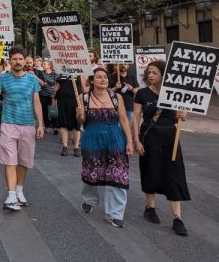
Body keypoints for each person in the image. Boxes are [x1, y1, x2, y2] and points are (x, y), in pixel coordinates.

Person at [133, 60, 190, 236]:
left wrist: (182, 115)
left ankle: (178, 218)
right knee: (151, 171)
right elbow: (135, 119)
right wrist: (136, 140)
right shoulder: (142, 94)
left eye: (155, 72)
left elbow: (179, 118)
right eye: (148, 72)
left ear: (164, 74)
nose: (150, 75)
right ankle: (150, 208)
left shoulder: (174, 94)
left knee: (174, 174)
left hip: (171, 139)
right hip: (149, 138)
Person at [0, 45, 44, 212]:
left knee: (24, 161)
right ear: (10, 61)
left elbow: (37, 103)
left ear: (24, 60)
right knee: (9, 160)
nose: (18, 62)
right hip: (8, 124)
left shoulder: (32, 80)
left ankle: (19, 190)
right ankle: (11, 194)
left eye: (20, 59)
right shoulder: (3, 78)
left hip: (28, 125)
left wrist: (40, 124)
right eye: (14, 59)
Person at [77, 67, 134, 228]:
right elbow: (81, 121)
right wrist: (80, 114)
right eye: (99, 77)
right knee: (91, 174)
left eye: (105, 77)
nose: (103, 79)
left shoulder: (117, 97)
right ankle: (89, 200)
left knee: (117, 174)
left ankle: (114, 213)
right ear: (92, 80)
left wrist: (129, 141)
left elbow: (123, 120)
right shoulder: (83, 98)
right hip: (92, 138)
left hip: (115, 139)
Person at [55, 73, 82, 156]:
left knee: (76, 124)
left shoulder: (79, 73)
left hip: (75, 101)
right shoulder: (60, 73)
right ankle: (65, 147)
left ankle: (76, 147)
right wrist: (54, 97)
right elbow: (57, 86)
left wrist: (82, 102)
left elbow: (83, 88)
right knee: (63, 123)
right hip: (62, 101)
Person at [40, 60, 58, 134]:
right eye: (43, 63)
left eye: (45, 64)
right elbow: (41, 82)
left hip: (52, 95)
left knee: (53, 112)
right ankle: (47, 127)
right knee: (45, 112)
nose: (43, 65)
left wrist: (47, 82)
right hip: (43, 95)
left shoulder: (54, 74)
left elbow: (55, 83)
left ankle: (54, 127)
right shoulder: (41, 73)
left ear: (49, 66)